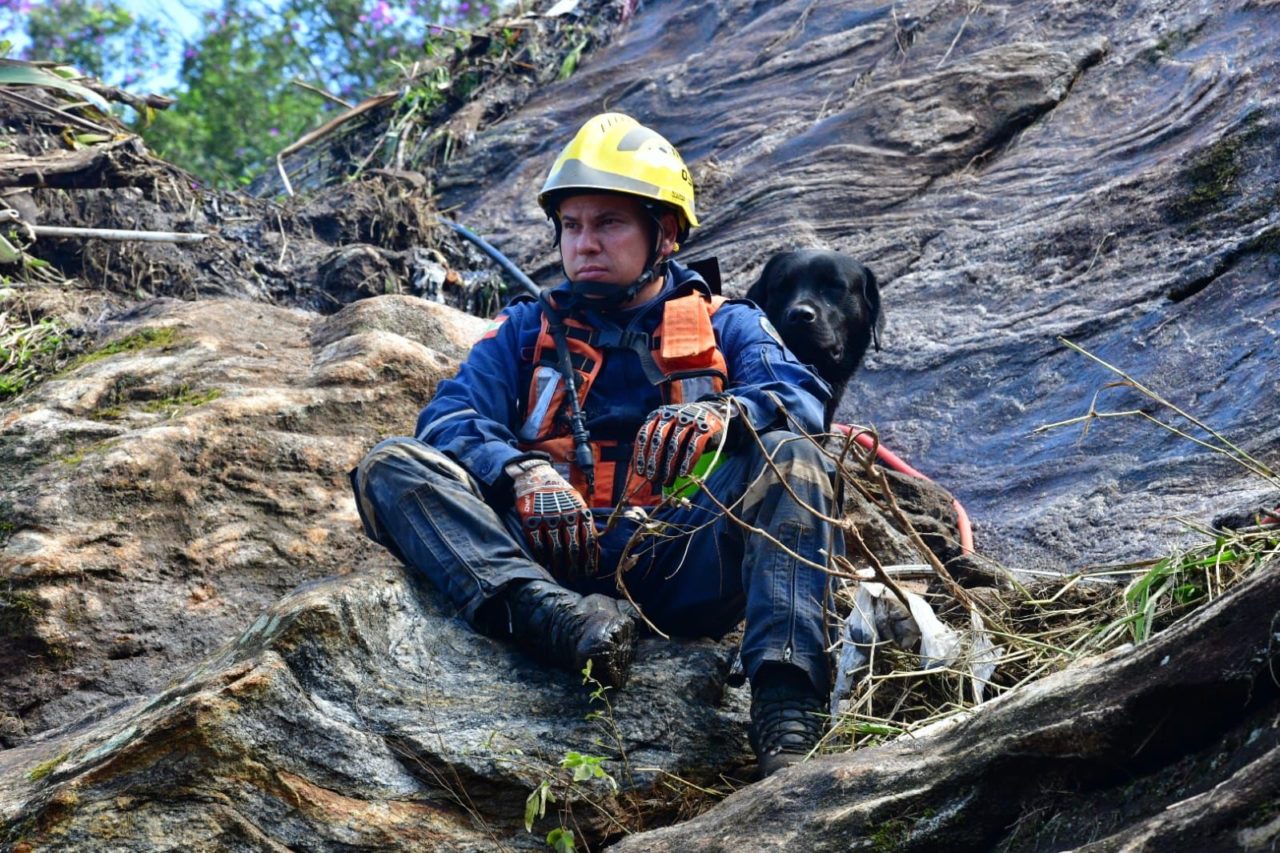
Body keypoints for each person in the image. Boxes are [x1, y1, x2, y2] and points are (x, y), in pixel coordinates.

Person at [352, 112, 842, 777]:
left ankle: (787, 706)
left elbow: (805, 399)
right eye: (572, 225)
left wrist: (727, 413)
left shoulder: (730, 322)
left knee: (796, 460)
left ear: (664, 232)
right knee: (391, 466)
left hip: (679, 554)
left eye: (608, 223)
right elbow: (447, 418)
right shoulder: (526, 330)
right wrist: (521, 473)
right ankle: (548, 620)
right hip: (550, 558)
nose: (583, 243)